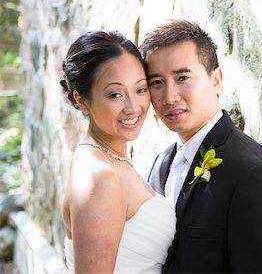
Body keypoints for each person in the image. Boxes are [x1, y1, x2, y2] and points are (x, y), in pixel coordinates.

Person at [139, 20, 262, 273]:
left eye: (183, 77)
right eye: (157, 83)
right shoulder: (161, 164)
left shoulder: (254, 175)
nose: (170, 97)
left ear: (215, 79)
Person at [60, 30, 176, 273]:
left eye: (140, 89)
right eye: (115, 94)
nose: (133, 107)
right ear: (82, 101)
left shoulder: (110, 160)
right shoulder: (98, 176)